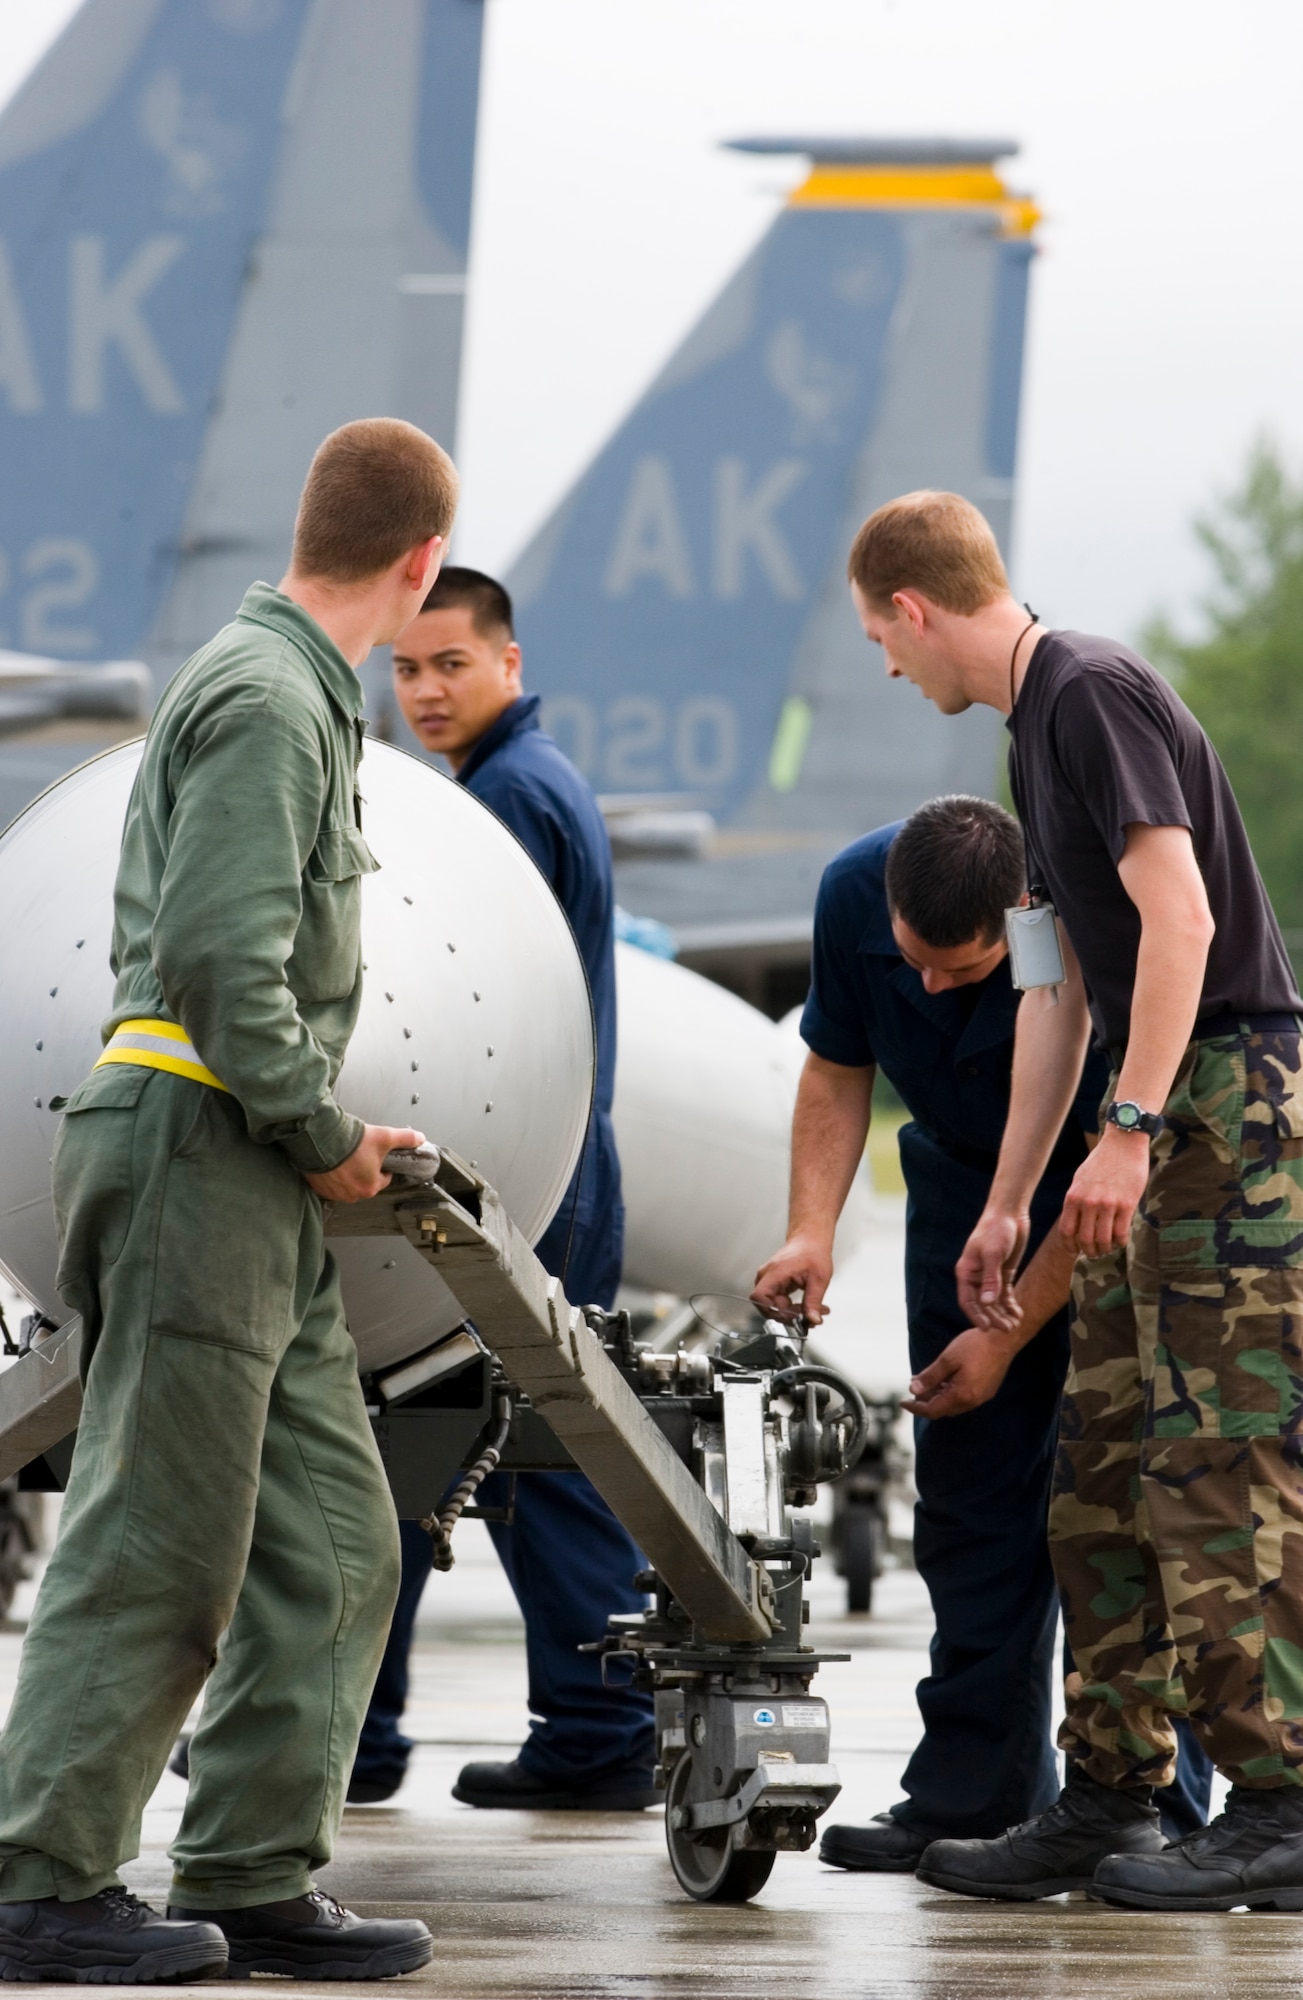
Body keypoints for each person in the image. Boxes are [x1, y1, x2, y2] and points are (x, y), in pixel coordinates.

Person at [0, 419, 455, 1984]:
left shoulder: (279, 687)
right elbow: (217, 955)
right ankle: (41, 1875)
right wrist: (315, 1120)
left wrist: (310, 1126)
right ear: (423, 566)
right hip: (208, 1150)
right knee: (161, 1538)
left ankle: (253, 1862)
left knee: (334, 1535)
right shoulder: (271, 700)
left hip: (245, 1159)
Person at [850, 488, 1303, 1912]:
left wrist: (1126, 1128)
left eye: (878, 639)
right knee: (1099, 1469)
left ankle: (1281, 1804)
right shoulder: (1027, 733)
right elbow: (1051, 987)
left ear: (913, 609)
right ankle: (1108, 1795)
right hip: (1154, 1105)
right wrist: (1007, 1199)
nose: (884, 667)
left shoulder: (1089, 693)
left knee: (1216, 1469)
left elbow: (1181, 923)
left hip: (1219, 1105)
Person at [752, 797, 1212, 1873]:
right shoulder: (848, 891)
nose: (926, 988)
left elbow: (1101, 1161)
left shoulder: (1084, 917)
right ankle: (972, 1791)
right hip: (959, 1194)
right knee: (967, 1505)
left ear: (1022, 920)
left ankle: (1161, 1807)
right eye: (910, 961)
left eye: (959, 972)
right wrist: (811, 1229)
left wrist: (1005, 1336)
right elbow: (834, 1060)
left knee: (1136, 1506)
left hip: (1115, 1195)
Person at [349, 566, 655, 1813]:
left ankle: (585, 1732)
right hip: (556, 1162)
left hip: (530, 1175)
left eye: (450, 666)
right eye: (406, 670)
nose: (424, 691)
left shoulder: (509, 802)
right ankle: (572, 1728)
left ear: (509, 665)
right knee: (478, 1447)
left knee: (490, 1448)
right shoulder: (512, 785)